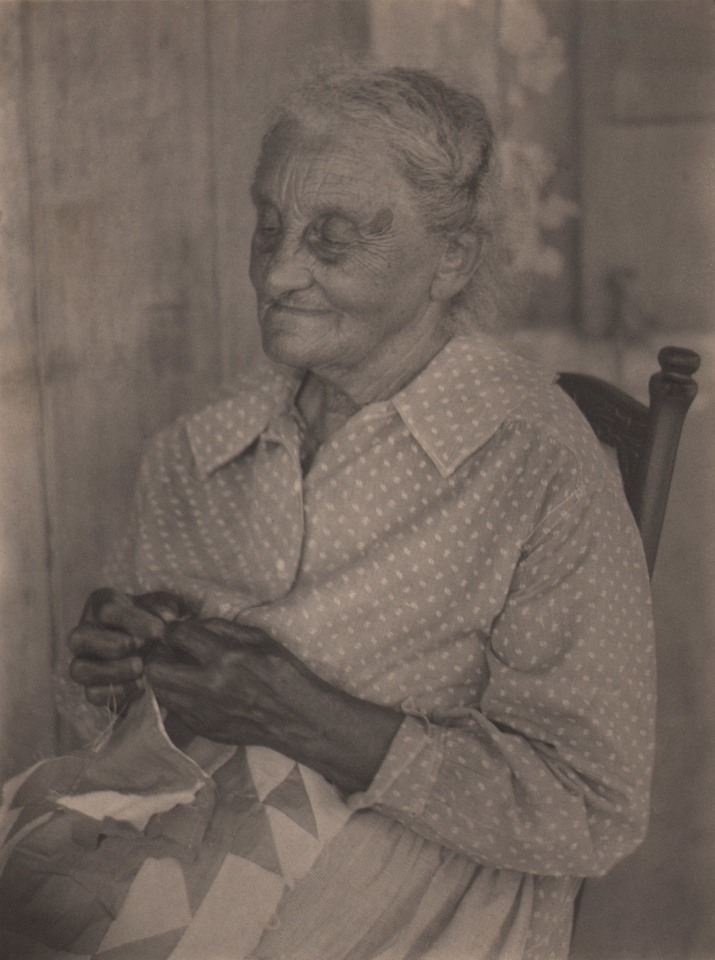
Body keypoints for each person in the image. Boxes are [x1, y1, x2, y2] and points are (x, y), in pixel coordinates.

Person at [0, 67, 655, 960]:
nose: (276, 271)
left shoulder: (535, 460)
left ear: (450, 259)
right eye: (268, 224)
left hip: (408, 889)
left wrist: (305, 717)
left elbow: (591, 809)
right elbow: (117, 740)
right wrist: (122, 673)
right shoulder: (199, 452)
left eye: (331, 239)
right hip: (182, 839)